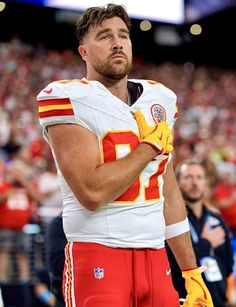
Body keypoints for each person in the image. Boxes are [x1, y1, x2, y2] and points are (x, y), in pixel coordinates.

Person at [37, 4, 213, 306]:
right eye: (104, 36)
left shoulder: (160, 99)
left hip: (157, 258)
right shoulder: (68, 97)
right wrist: (148, 147)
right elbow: (92, 192)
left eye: (123, 35)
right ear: (84, 52)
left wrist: (191, 271)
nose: (117, 42)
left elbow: (168, 194)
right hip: (98, 254)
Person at [167, 159, 234, 307]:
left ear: (205, 183)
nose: (194, 183)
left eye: (199, 177)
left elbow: (228, 264)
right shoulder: (171, 222)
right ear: (177, 182)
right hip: (187, 300)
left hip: (218, 301)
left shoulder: (216, 220)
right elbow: (171, 264)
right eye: (188, 177)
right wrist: (206, 244)